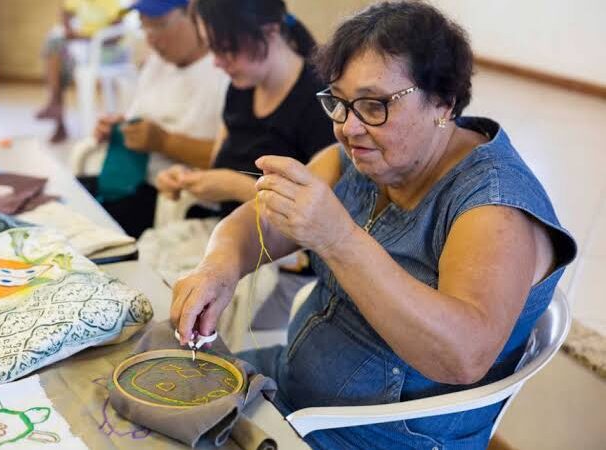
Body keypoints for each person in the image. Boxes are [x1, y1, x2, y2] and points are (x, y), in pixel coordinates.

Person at [169, 2, 577, 448]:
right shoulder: (369, 158)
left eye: (374, 105)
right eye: (339, 103)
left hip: (374, 433)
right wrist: (218, 269)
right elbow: (260, 220)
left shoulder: (493, 206)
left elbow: (464, 356)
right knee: (155, 382)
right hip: (292, 385)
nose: (348, 128)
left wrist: (338, 237)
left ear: (443, 101)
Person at [154, 0, 334, 219]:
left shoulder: (318, 102)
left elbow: (323, 213)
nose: (217, 63)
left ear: (270, 31)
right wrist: (187, 179)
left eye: (227, 49)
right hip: (230, 232)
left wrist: (235, 186)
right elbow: (218, 170)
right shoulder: (240, 89)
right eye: (212, 49)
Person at [79, 0, 229, 238]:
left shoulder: (225, 72)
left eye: (159, 26)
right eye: (144, 27)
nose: (151, 38)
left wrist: (164, 142)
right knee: (67, 199)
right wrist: (117, 128)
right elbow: (138, 117)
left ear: (195, 17)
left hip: (175, 197)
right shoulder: (157, 63)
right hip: (134, 179)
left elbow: (230, 160)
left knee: (83, 229)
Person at [36, 0, 126, 143]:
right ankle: (57, 111)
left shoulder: (111, 2)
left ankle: (56, 109)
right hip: (84, 50)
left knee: (58, 60)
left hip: (108, 51)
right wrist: (68, 30)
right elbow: (65, 13)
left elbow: (116, 36)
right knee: (54, 47)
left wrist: (82, 37)